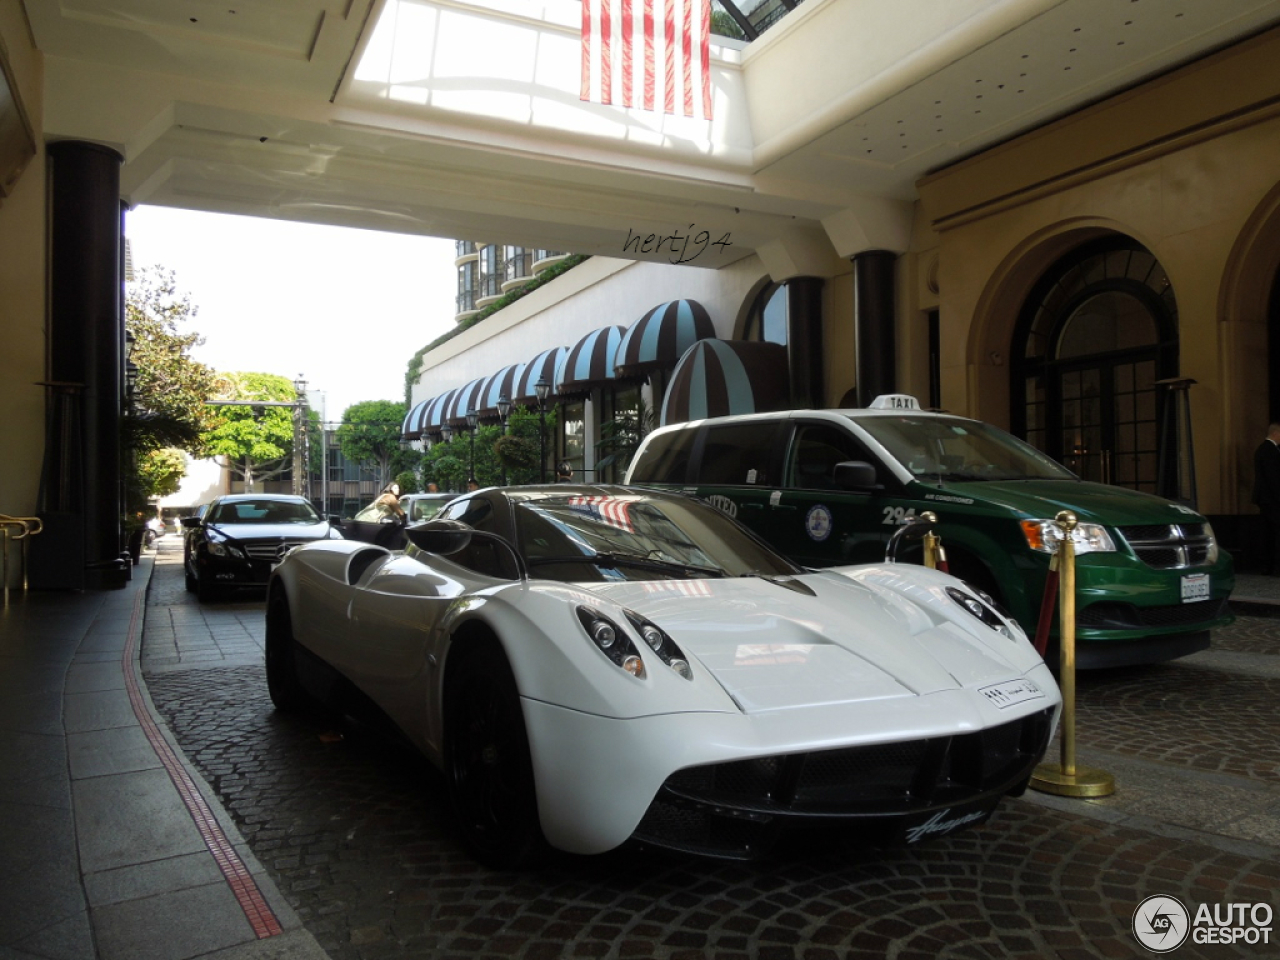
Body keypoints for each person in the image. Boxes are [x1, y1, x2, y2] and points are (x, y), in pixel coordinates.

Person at [1253, 422, 1280, 575]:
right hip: (1272, 499)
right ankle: (1275, 566)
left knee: (1268, 533)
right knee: (1275, 533)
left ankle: (1267, 566)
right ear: (1276, 433)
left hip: (1265, 498)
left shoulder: (1263, 449)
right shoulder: (1270, 451)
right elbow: (1273, 479)